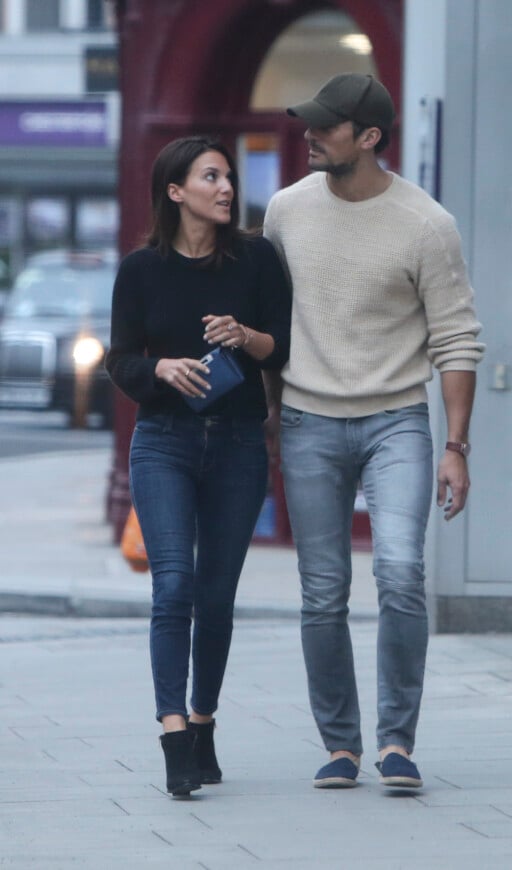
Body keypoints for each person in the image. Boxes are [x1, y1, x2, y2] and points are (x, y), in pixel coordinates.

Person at [263, 73, 485, 791]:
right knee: (322, 590)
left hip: (397, 421)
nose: (311, 134)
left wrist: (455, 447)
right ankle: (340, 745)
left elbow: (457, 340)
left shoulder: (426, 224)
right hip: (307, 419)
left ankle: (396, 742)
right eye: (311, 123)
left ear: (369, 138)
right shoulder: (285, 211)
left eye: (327, 126)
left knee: (399, 571)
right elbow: (267, 317)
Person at [106, 136, 291, 796]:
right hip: (163, 442)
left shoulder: (257, 260)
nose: (226, 187)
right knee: (174, 586)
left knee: (215, 597)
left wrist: (245, 337)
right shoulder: (140, 269)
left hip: (239, 443)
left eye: (229, 176)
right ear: (176, 191)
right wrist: (158, 367)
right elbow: (119, 359)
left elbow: (282, 347)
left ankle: (205, 717)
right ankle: (173, 731)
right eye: (210, 176)